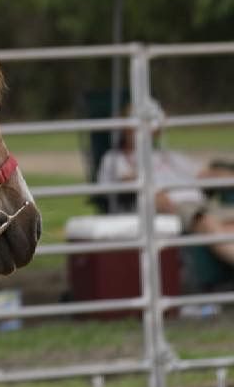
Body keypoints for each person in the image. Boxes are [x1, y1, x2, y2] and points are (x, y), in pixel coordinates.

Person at [97, 110, 234, 290]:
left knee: (226, 226)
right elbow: (128, 183)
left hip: (202, 204)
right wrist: (156, 195)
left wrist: (226, 175)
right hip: (174, 207)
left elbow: (204, 174)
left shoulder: (169, 156)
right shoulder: (114, 159)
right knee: (209, 223)